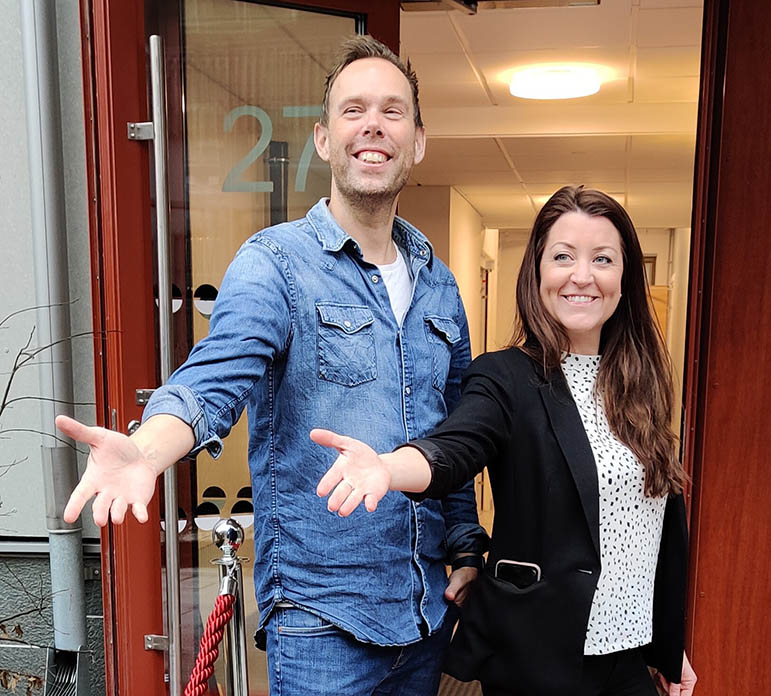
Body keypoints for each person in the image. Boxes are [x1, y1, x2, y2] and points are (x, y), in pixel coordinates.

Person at [56, 35, 488, 696]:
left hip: (425, 615)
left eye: (392, 111)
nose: (373, 125)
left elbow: (452, 433)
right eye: (353, 110)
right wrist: (146, 450)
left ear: (418, 141)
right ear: (324, 139)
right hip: (322, 626)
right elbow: (214, 380)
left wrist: (465, 547)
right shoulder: (276, 265)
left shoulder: (440, 285)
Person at [312, 185, 698, 696]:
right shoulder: (506, 377)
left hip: (628, 662)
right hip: (540, 660)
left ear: (625, 279)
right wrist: (389, 467)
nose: (582, 275)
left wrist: (669, 646)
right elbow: (455, 447)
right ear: (537, 273)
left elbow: (652, 530)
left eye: (602, 258)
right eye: (563, 256)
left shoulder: (638, 384)